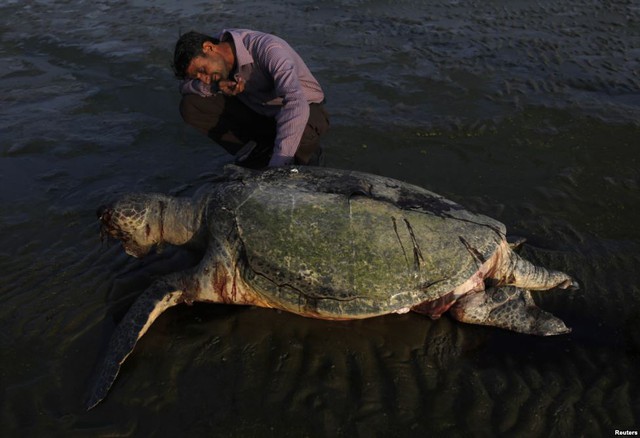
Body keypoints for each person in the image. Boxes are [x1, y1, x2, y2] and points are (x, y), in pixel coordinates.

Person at [172, 29, 330, 168]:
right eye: (198, 76)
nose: (205, 79)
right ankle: (258, 152)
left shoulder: (269, 49)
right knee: (191, 105)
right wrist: (216, 86)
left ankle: (301, 158)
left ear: (209, 47)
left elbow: (296, 103)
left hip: (303, 110)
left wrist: (276, 168)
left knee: (297, 147)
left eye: (203, 70)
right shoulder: (211, 50)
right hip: (260, 112)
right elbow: (185, 87)